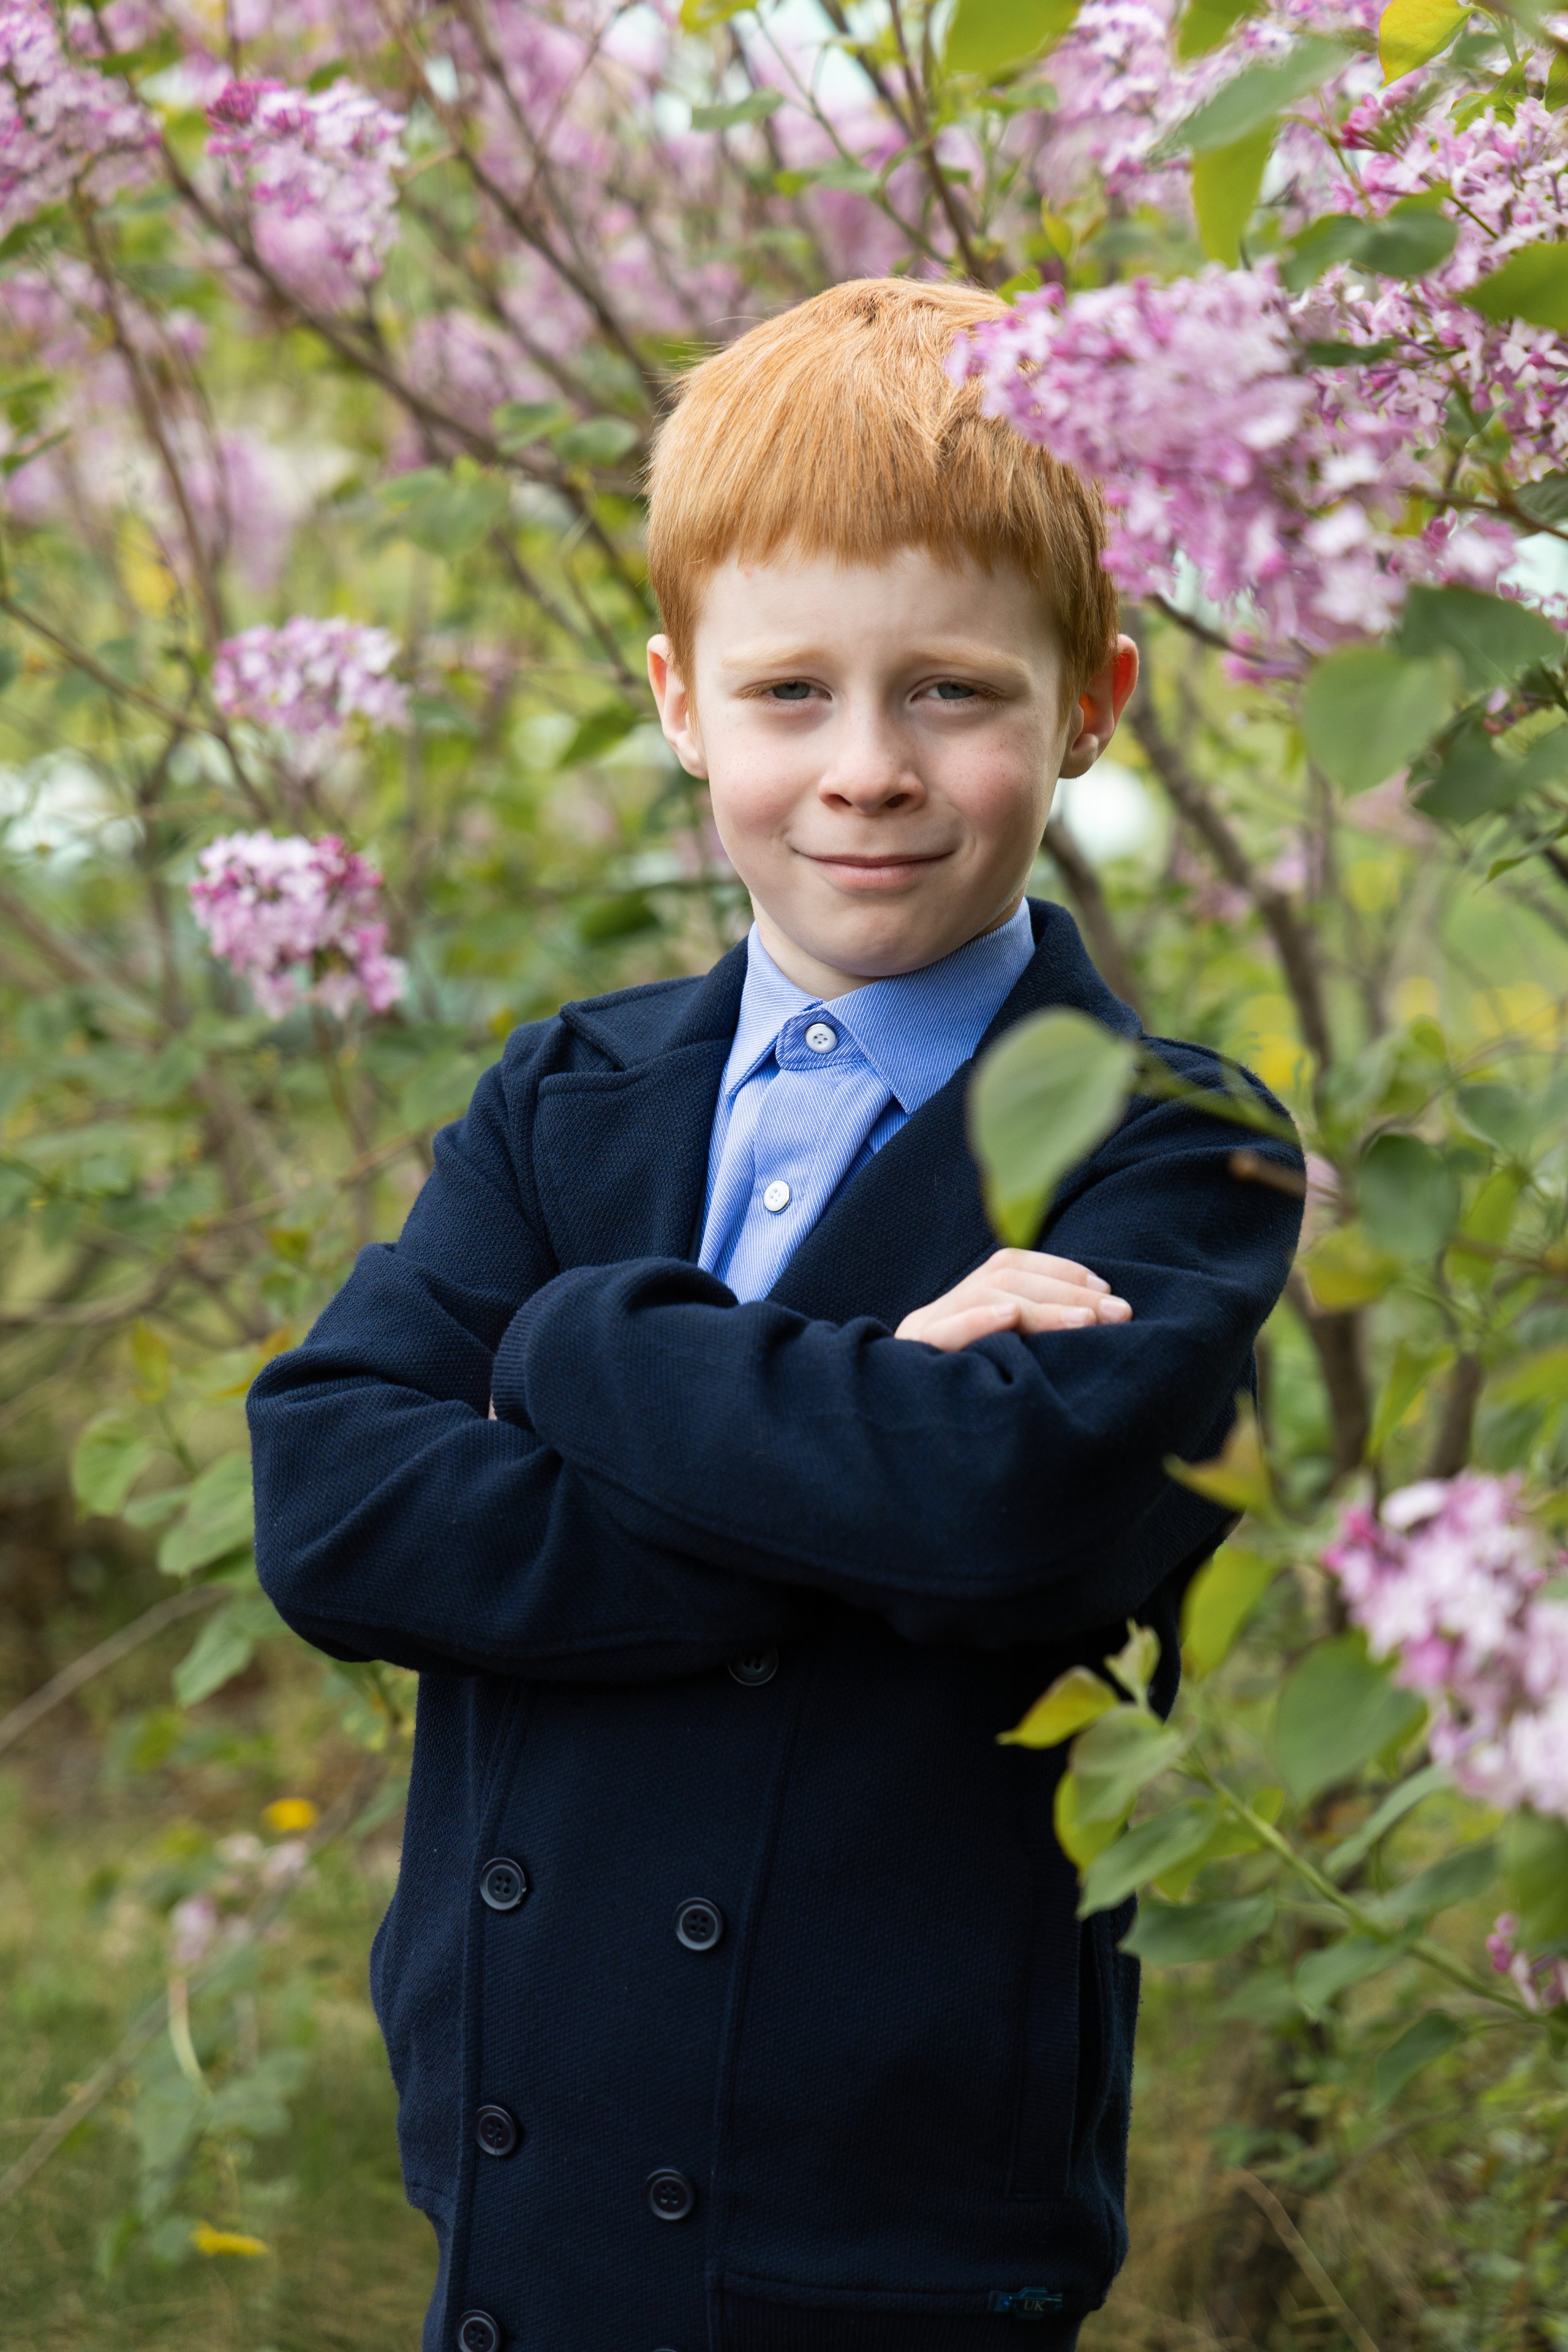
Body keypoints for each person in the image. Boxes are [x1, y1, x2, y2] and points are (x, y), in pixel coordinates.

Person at [249, 277, 1303, 2352]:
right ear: (680, 700)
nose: (869, 770)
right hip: (525, 2166)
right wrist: (859, 1429)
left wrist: (567, 1348)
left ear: (1093, 700)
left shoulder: (1172, 1148)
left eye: (952, 692)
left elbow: (999, 1520)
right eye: (792, 693)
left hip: (897, 2216)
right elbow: (338, 1504)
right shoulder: (566, 1096)